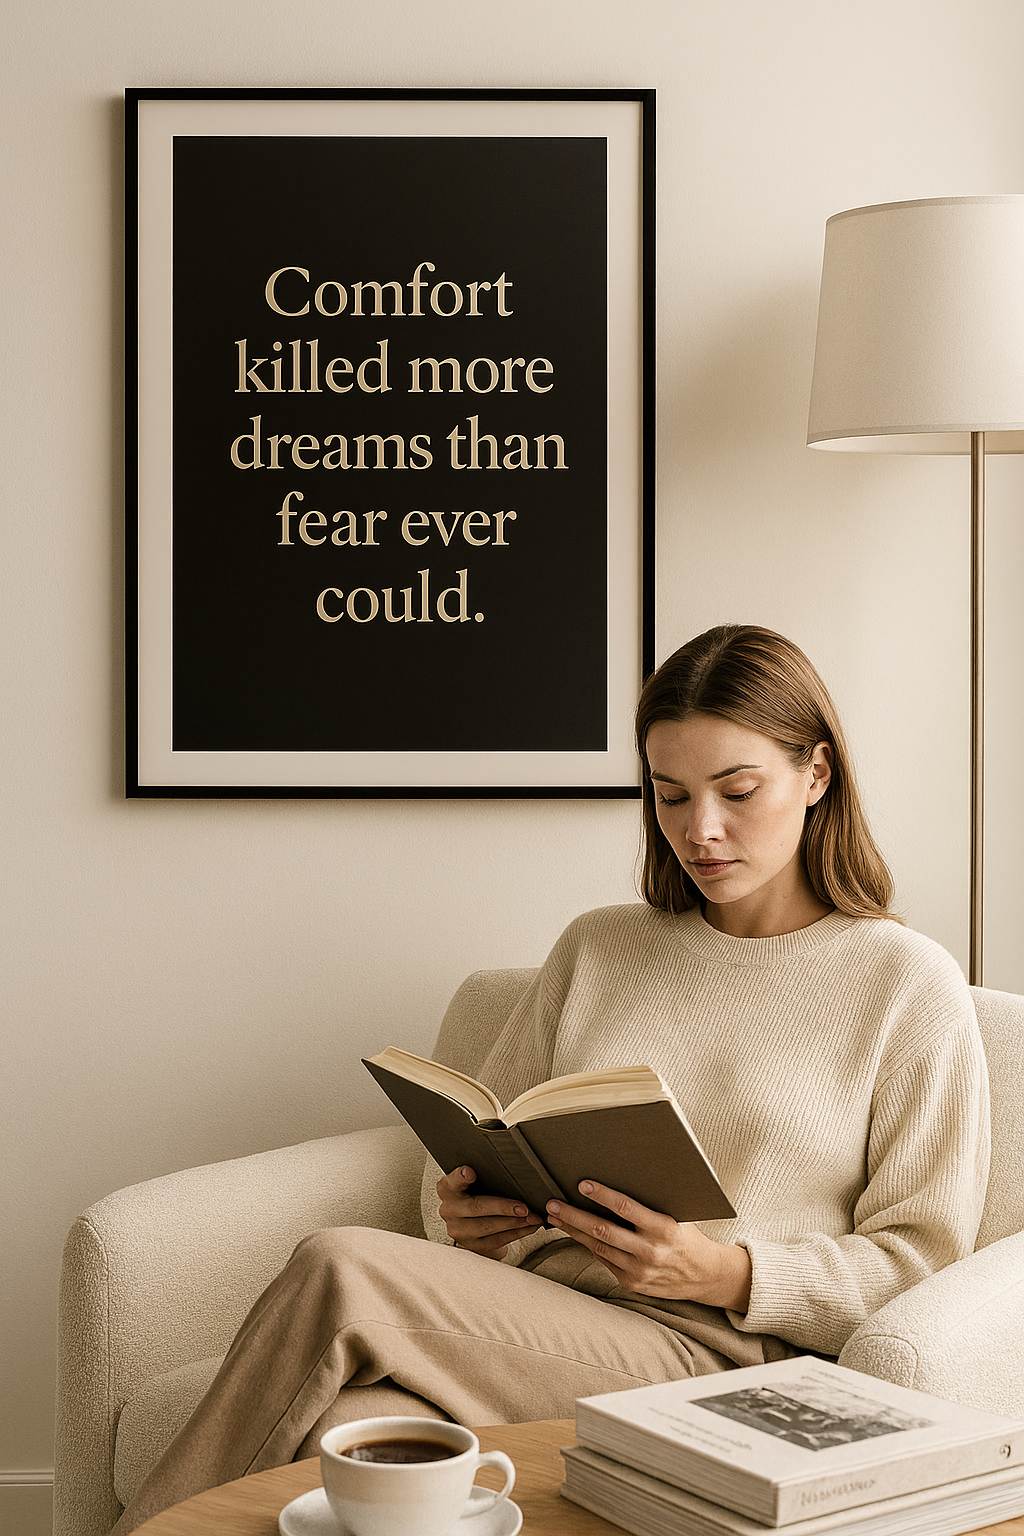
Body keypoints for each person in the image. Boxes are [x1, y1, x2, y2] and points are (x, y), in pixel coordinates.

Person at [111, 624, 990, 1534]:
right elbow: (472, 1141)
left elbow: (919, 1257)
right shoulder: (599, 947)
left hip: (720, 1358)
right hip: (531, 1321)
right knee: (351, 1431)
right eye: (670, 794)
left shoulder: (903, 983)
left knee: (339, 1265)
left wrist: (726, 1272)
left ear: (816, 774)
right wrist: (464, 1214)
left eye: (738, 790)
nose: (701, 829)